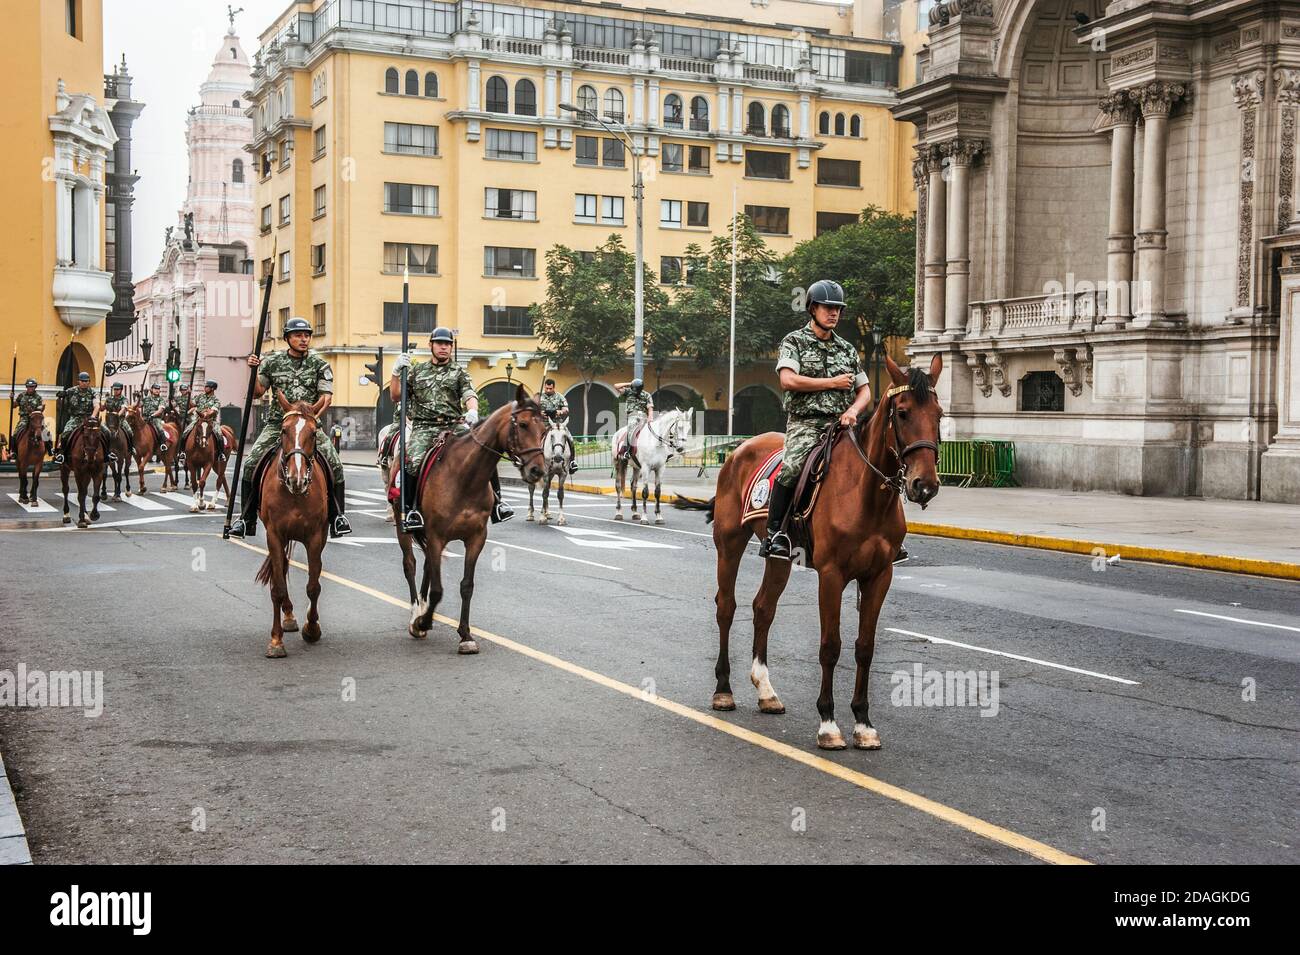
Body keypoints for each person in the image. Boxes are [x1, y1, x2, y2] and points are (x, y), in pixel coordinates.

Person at [762, 280, 911, 563]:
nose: (834, 314)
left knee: (880, 463)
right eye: (828, 308)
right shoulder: (794, 342)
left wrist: (854, 410)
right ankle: (776, 533)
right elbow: (788, 380)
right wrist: (831, 382)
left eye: (838, 309)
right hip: (806, 424)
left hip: (843, 424)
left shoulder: (847, 349)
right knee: (792, 466)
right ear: (813, 308)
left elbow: (864, 390)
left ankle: (889, 535)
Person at [227, 317, 351, 539]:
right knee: (251, 462)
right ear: (287, 338)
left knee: (335, 463)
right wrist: (253, 370)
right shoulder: (273, 363)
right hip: (278, 425)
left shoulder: (320, 364)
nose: (303, 339)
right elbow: (257, 392)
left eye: (306, 335)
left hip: (310, 425)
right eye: (298, 335)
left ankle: (338, 517)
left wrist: (309, 421)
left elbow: (326, 398)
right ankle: (246, 519)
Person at [390, 326, 513, 535]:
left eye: (447, 344)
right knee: (412, 459)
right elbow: (396, 396)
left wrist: (472, 410)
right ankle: (411, 510)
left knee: (483, 452)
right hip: (424, 427)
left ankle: (498, 504)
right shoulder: (416, 371)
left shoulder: (459, 371)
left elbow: (469, 393)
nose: (443, 347)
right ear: (431, 345)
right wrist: (395, 373)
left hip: (452, 425)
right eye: (439, 343)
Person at [53, 373, 113, 464]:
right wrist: (61, 396)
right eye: (82, 381)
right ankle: (62, 455)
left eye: (87, 381)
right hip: (75, 418)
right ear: (78, 381)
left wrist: (93, 416)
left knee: (107, 432)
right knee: (65, 434)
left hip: (90, 419)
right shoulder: (71, 391)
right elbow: (60, 401)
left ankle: (107, 454)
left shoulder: (93, 392)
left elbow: (97, 406)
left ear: (89, 382)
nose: (85, 383)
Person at [538, 378, 578, 474]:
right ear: (544, 387)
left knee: (570, 439)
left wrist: (559, 412)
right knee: (532, 441)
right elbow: (531, 409)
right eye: (547, 388)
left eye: (550, 388)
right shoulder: (539, 397)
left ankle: (572, 462)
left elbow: (566, 409)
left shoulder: (560, 396)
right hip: (542, 425)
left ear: (554, 387)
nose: (548, 390)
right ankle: (532, 462)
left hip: (558, 425)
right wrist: (540, 413)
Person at [179, 380, 226, 459]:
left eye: (207, 387)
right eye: (205, 386)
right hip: (198, 420)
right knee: (185, 433)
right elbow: (192, 404)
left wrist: (204, 414)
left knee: (219, 434)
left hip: (211, 421)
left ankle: (221, 453)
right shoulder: (200, 396)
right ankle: (182, 452)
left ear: (212, 388)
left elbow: (212, 412)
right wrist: (189, 395)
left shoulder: (216, 400)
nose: (205, 388)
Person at [613, 378, 653, 460]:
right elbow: (616, 386)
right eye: (634, 389)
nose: (635, 391)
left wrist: (650, 417)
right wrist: (630, 383)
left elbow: (650, 408)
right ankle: (627, 451)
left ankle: (665, 452)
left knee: (656, 429)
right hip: (632, 416)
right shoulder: (628, 391)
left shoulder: (647, 395)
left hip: (644, 416)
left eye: (637, 389)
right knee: (631, 429)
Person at [12, 379, 50, 456]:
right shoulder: (21, 395)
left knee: (46, 432)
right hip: (24, 418)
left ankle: (50, 450)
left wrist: (36, 411)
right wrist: (11, 398)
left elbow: (39, 410)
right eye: (29, 387)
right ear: (26, 387)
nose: (30, 388)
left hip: (35, 418)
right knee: (15, 433)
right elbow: (14, 405)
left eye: (32, 387)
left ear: (35, 387)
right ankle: (14, 451)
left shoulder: (38, 397)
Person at [103, 382, 134, 457]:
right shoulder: (109, 399)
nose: (116, 391)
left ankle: (131, 448)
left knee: (130, 432)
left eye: (117, 389)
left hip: (120, 420)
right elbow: (102, 408)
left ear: (121, 390)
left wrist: (117, 415)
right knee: (102, 431)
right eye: (115, 389)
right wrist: (100, 402)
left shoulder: (124, 399)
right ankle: (103, 450)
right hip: (110, 421)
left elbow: (124, 408)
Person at [138, 383, 171, 454]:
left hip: (155, 418)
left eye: (158, 389)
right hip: (145, 418)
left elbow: (160, 410)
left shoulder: (161, 399)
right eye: (155, 389)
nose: (157, 390)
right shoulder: (146, 399)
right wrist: (138, 398)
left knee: (160, 428)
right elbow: (138, 405)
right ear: (151, 390)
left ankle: (163, 444)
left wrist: (153, 415)